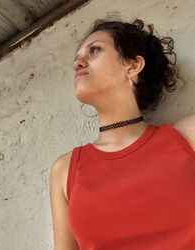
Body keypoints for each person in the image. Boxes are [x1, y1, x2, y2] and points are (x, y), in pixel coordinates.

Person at [49, 18, 195, 250]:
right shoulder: (65, 170)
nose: (78, 62)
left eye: (94, 50)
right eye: (77, 57)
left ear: (133, 66)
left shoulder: (189, 137)